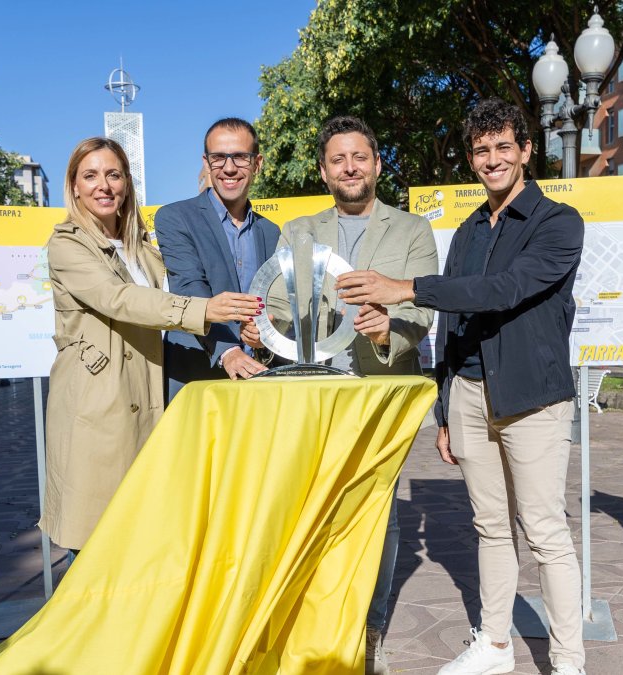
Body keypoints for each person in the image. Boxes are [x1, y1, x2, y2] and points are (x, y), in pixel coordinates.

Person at [335, 98, 587, 675]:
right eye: (481, 150)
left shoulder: (558, 223)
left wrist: (404, 288)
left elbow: (503, 289)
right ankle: (495, 647)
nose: (492, 159)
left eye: (504, 147)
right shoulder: (470, 229)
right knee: (490, 527)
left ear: (526, 150)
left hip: (532, 398)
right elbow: (454, 321)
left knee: (545, 531)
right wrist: (446, 405)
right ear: (472, 160)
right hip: (471, 395)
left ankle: (569, 662)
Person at [241, 115, 437, 675]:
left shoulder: (412, 231)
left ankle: (369, 627)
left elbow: (421, 312)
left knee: (379, 514)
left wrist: (384, 329)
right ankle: (313, 622)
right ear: (324, 171)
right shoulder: (298, 231)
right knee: (311, 509)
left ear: (377, 163)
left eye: (359, 157)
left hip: (380, 393)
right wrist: (261, 328)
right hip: (312, 398)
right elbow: (276, 302)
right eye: (337, 160)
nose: (349, 168)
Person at [39, 137, 262, 553]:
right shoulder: (68, 244)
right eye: (90, 176)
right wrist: (205, 310)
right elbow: (119, 300)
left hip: (149, 401)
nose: (103, 185)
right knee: (94, 546)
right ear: (74, 186)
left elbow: (180, 280)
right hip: (98, 409)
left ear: (126, 184)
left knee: (140, 542)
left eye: (113, 174)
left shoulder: (141, 248)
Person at [153, 118, 280, 399]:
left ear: (257, 163)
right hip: (197, 380)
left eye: (240, 157)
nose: (229, 167)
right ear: (207, 162)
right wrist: (229, 351)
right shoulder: (175, 218)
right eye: (219, 157)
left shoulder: (271, 232)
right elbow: (189, 287)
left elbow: (272, 305)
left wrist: (264, 339)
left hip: (258, 383)